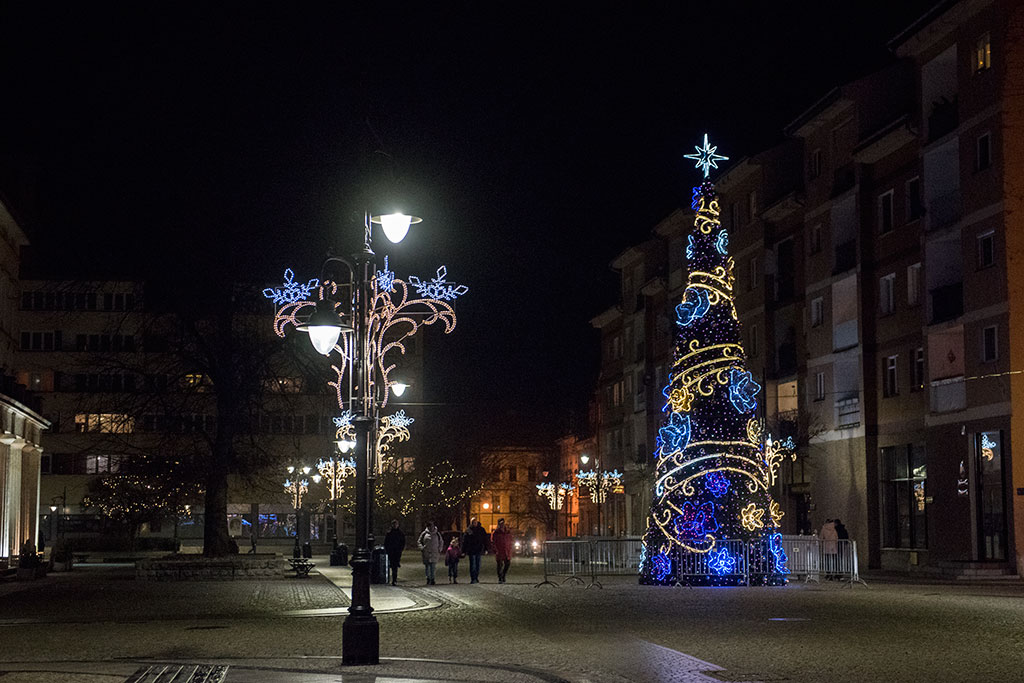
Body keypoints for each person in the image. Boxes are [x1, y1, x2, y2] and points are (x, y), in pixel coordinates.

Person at [461, 517, 488, 583]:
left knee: (478, 565)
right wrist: (463, 551)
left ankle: (476, 577)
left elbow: (485, 540)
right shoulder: (468, 530)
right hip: (471, 550)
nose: (474, 523)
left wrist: (486, 548)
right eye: (473, 522)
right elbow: (465, 541)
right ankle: (473, 578)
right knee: (473, 565)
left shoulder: (481, 530)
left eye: (475, 522)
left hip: (478, 549)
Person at [417, 521, 443, 585]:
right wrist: (422, 548)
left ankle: (432, 579)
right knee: (427, 567)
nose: (431, 528)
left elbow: (441, 542)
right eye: (430, 526)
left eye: (432, 526)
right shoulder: (424, 534)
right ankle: (428, 578)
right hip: (426, 553)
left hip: (434, 552)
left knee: (433, 567)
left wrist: (439, 549)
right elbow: (419, 541)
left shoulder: (437, 534)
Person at [383, 519, 406, 586]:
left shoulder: (400, 533)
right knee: (392, 565)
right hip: (391, 551)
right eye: (394, 524)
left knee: (394, 566)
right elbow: (386, 542)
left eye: (396, 524)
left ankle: (394, 579)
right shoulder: (390, 533)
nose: (395, 526)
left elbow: (403, 542)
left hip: (396, 552)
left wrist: (400, 549)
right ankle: (392, 579)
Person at [491, 518, 513, 583]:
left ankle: (503, 575)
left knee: (507, 564)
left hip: (506, 550)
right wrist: (495, 550)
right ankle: (500, 577)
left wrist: (511, 549)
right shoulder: (496, 533)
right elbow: (493, 542)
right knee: (499, 565)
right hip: (499, 550)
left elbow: (511, 540)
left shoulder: (508, 532)